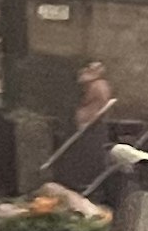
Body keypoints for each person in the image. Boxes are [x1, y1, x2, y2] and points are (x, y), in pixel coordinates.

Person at [40, 57, 129, 192]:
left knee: (87, 156)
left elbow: (96, 104)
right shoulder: (90, 88)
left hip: (90, 126)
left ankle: (85, 184)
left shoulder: (99, 86)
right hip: (85, 126)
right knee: (79, 155)